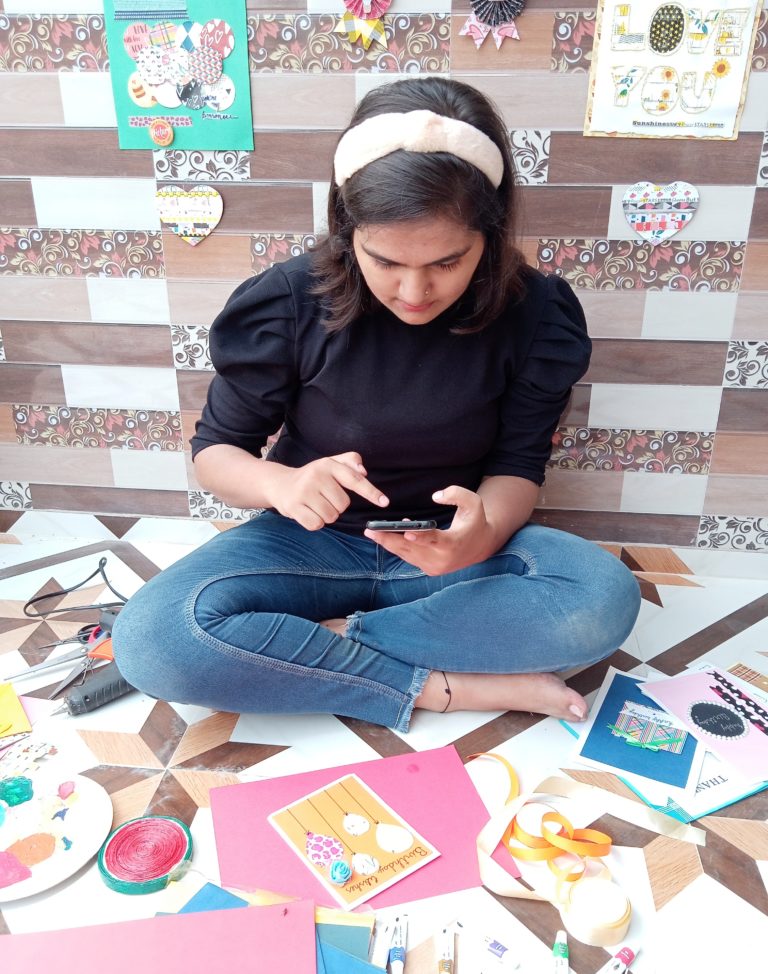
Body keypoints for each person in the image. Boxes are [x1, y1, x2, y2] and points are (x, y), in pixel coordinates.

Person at [113, 77, 641, 733]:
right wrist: (282, 484)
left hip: (447, 561)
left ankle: (313, 644)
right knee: (154, 640)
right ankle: (443, 688)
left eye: (447, 263)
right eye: (385, 260)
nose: (414, 292)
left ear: (490, 233)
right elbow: (216, 455)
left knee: (601, 598)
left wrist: (480, 534)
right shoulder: (288, 300)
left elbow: (518, 465)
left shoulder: (536, 313)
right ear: (347, 226)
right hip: (307, 549)